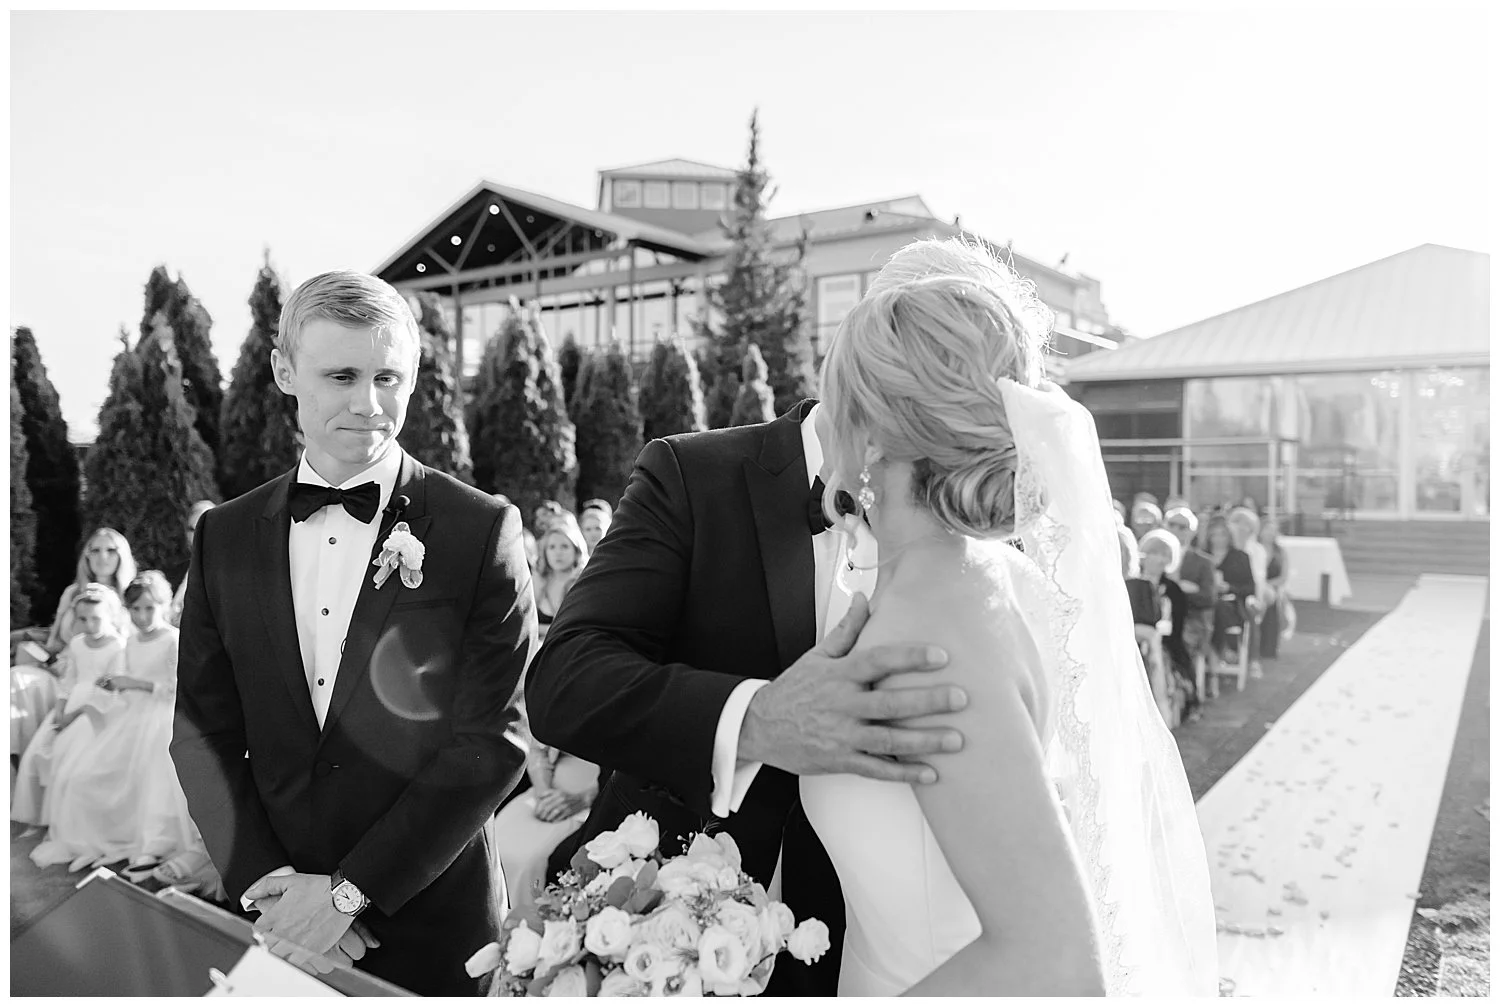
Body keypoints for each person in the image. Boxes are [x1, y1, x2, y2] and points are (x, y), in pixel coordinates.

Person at [798, 238, 1215, 994]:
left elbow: (1054, 963)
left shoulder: (929, 632)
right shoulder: (969, 583)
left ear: (875, 435)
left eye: (834, 399)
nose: (819, 419)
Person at [528, 340, 971, 993]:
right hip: (660, 915)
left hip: (864, 935)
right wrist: (753, 720)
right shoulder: (690, 472)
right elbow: (565, 676)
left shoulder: (962, 518)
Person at [170, 271, 536, 996]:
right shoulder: (224, 535)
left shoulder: (480, 528)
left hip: (433, 921)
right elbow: (202, 732)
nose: (368, 403)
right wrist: (273, 887)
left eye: (387, 377)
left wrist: (347, 894)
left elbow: (493, 738)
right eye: (341, 376)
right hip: (274, 919)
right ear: (285, 371)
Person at [31, 573, 180, 872]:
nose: (142, 616)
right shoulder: (131, 642)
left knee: (152, 780)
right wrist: (113, 685)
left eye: (149, 608)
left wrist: (135, 683)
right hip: (129, 715)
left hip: (162, 719)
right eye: (135, 609)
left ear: (164, 606)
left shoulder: (173, 639)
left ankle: (153, 843)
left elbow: (178, 688)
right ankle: (97, 837)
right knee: (86, 775)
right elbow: (124, 681)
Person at [12, 584, 128, 833]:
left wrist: (75, 715)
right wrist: (61, 709)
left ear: (110, 615)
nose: (89, 625)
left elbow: (111, 687)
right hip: (72, 702)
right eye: (83, 619)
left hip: (96, 707)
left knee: (74, 757)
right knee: (37, 755)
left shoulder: (117, 646)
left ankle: (75, 821)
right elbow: (69, 681)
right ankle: (45, 817)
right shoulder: (77, 644)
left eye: (96, 618)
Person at [12, 528, 137, 758]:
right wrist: (28, 644)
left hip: (106, 678)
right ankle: (14, 756)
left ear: (122, 556)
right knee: (17, 678)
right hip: (62, 671)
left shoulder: (133, 596)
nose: (102, 557)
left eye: (111, 550)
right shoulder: (72, 593)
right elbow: (55, 642)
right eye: (95, 550)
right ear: (86, 556)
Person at [1164, 506, 1218, 705]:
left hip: (1192, 619)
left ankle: (1190, 700)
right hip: (1158, 617)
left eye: (1183, 527)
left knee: (1182, 643)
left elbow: (1209, 598)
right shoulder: (1154, 554)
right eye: (1172, 525)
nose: (1176, 530)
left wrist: (1180, 591)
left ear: (1192, 532)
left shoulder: (1203, 562)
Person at [1205, 515, 1256, 664]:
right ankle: (1216, 651)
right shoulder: (1201, 556)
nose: (1219, 539)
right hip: (1204, 602)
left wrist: (1230, 588)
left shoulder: (1240, 557)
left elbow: (1250, 587)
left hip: (1232, 605)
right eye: (1214, 534)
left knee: (1220, 608)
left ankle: (1218, 651)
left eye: (1223, 534)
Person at [533, 512, 589, 642]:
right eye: (552, 547)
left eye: (564, 546)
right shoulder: (539, 580)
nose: (558, 553)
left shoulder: (584, 582)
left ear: (576, 551)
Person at [1227, 507, 1269, 676]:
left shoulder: (1257, 551)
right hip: (1228, 592)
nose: (1242, 528)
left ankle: (1253, 659)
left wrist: (1257, 598)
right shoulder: (1225, 546)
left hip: (1247, 593)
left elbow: (1258, 579)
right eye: (1238, 522)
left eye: (1246, 525)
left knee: (1250, 612)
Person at [169, 501, 216, 628]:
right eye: (192, 529)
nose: (196, 535)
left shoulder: (227, 573)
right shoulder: (176, 570)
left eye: (203, 528)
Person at [1257, 517, 1292, 657]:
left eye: (1273, 531)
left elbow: (1283, 577)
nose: (1270, 533)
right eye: (1267, 530)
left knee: (1271, 598)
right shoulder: (1254, 549)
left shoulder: (1280, 552)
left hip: (1273, 587)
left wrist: (1268, 585)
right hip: (1255, 586)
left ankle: (1269, 645)